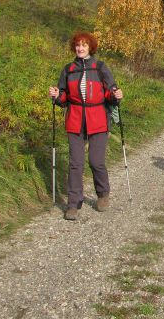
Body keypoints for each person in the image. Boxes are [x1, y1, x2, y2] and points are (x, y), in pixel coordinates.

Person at [49, 32, 123, 221]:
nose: (80, 48)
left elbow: (110, 92)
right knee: (76, 163)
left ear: (91, 47)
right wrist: (57, 95)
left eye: (84, 45)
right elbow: (64, 99)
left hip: (98, 119)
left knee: (96, 161)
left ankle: (103, 194)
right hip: (75, 120)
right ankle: (73, 204)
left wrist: (116, 95)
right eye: (77, 45)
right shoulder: (68, 69)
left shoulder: (100, 68)